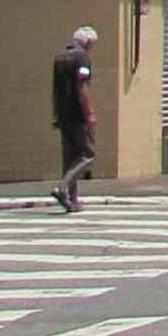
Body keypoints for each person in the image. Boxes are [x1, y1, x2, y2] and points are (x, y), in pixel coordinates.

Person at [51, 24, 98, 212]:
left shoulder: (59, 57)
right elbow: (82, 86)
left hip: (62, 113)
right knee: (87, 154)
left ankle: (71, 200)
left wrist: (55, 113)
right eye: (92, 44)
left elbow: (55, 88)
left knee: (70, 156)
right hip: (77, 113)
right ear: (87, 42)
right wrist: (89, 113)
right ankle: (62, 187)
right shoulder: (82, 57)